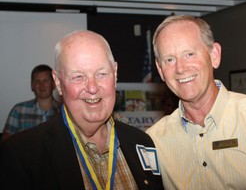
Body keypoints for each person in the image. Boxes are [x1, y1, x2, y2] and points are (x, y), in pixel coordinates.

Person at [0, 30, 163, 189]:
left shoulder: (142, 143)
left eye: (101, 73)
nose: (92, 88)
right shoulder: (21, 155)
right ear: (58, 82)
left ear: (115, 73)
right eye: (78, 77)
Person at [146, 15, 246, 189]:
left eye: (189, 54)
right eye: (169, 59)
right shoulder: (154, 140)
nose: (180, 68)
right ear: (160, 70)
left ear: (214, 55)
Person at [2, 64, 60, 141]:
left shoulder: (63, 111)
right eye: (37, 81)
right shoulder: (18, 111)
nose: (41, 85)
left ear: (53, 84)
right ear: (32, 85)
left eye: (45, 80)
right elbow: (6, 143)